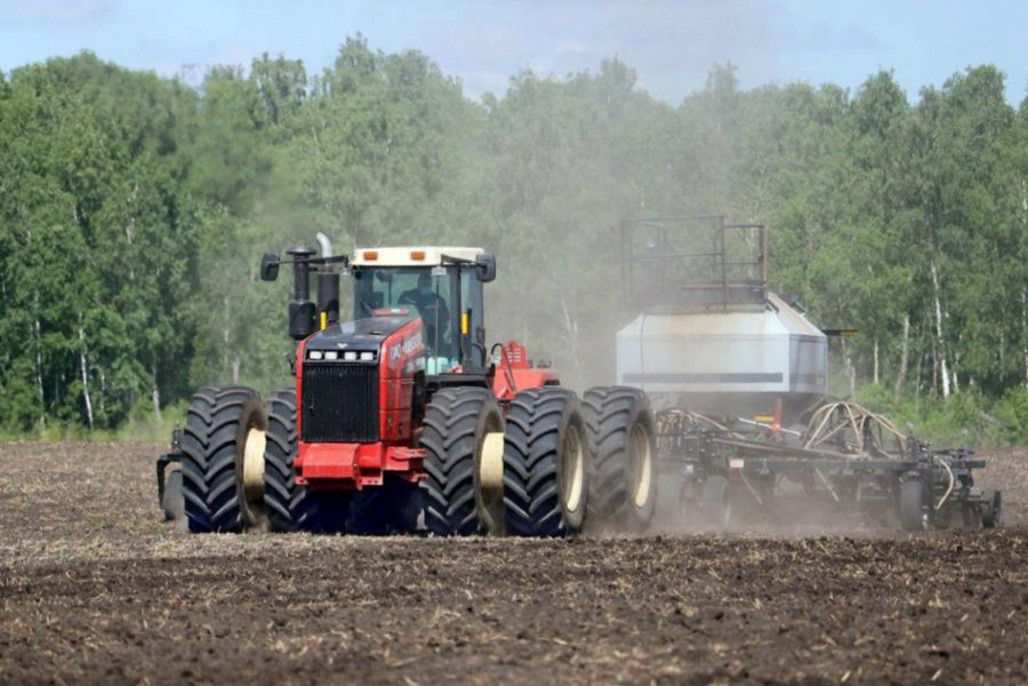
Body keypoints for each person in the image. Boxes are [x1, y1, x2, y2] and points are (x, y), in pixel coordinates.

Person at [398, 272, 450, 349]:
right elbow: (399, 316)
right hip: (409, 340)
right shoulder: (407, 297)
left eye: (427, 281)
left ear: (431, 283)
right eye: (423, 280)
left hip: (434, 341)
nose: (425, 283)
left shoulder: (437, 300)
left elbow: (445, 319)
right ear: (418, 282)